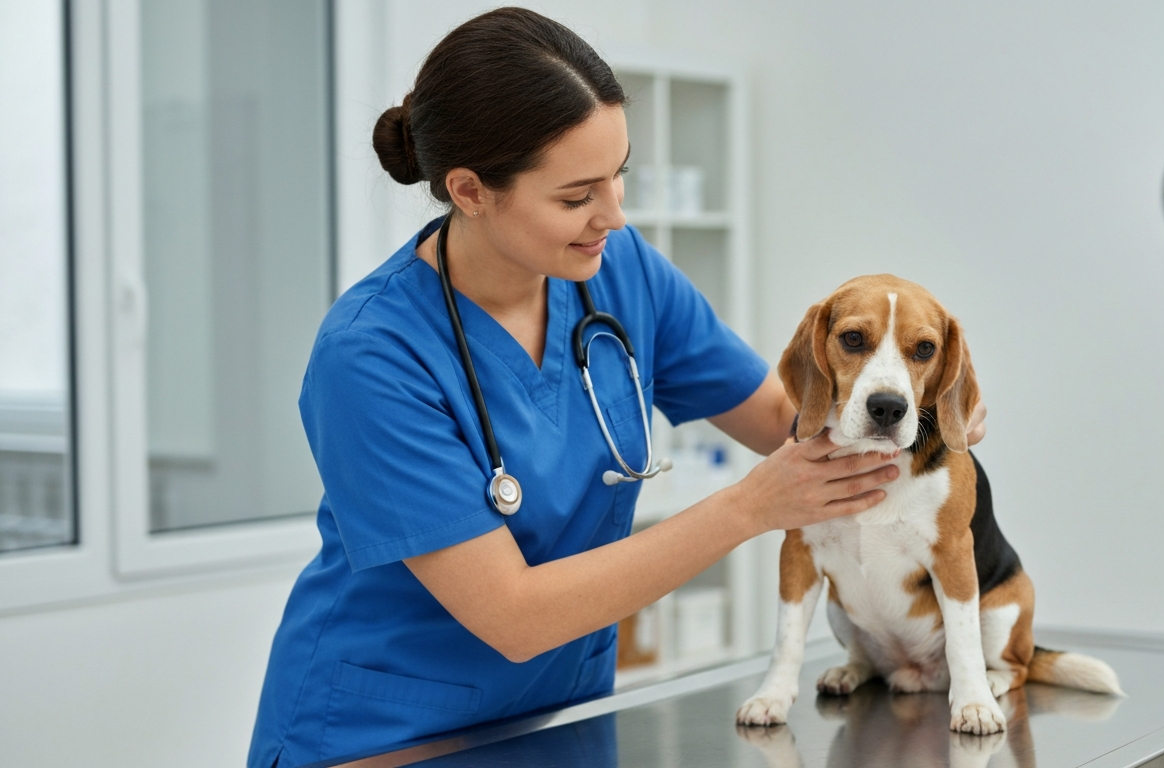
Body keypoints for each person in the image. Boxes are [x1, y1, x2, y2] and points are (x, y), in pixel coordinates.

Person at [247, 8, 985, 767]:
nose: (615, 215)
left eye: (619, 174)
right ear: (469, 190)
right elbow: (514, 615)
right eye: (576, 196)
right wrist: (752, 507)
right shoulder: (371, 355)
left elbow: (787, 424)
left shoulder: (622, 273)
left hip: (560, 715)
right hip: (382, 736)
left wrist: (914, 413)